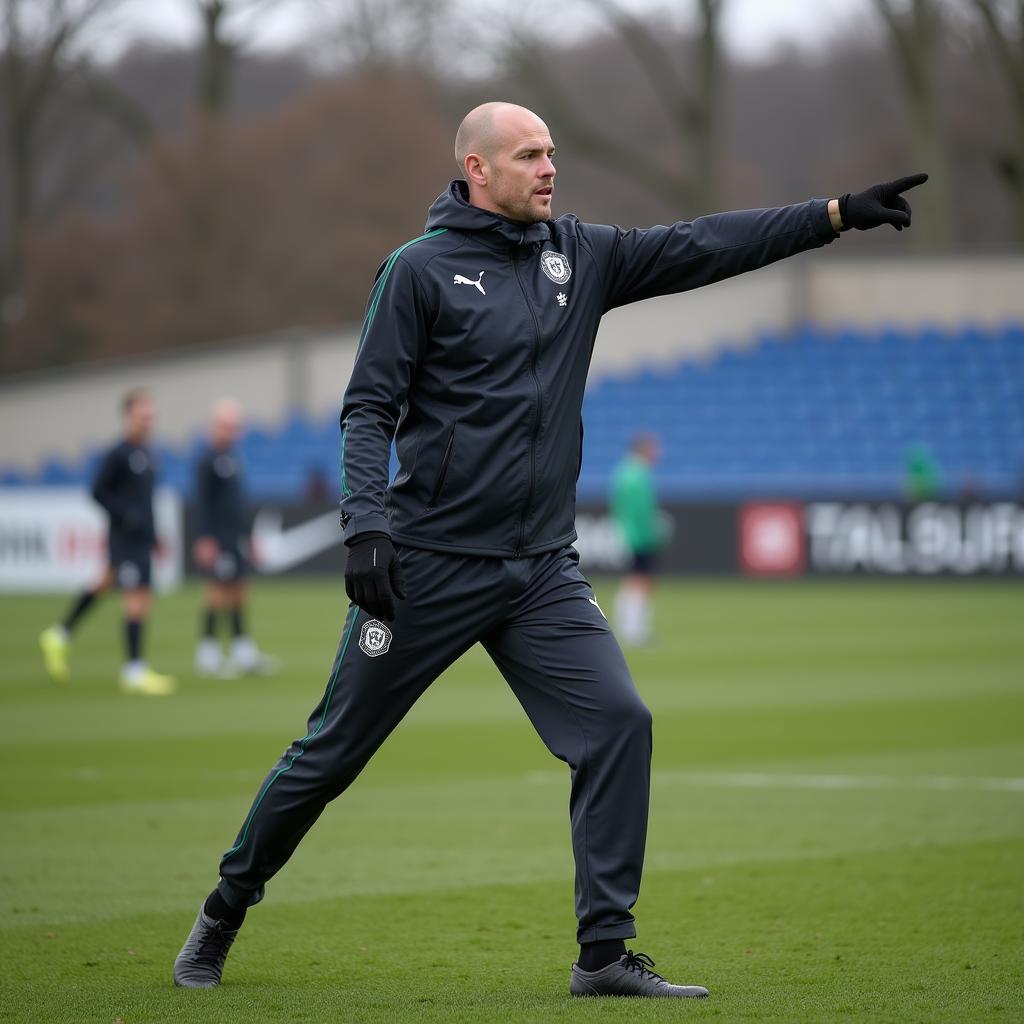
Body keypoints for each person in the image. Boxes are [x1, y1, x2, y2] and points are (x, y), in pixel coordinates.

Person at [173, 102, 926, 997]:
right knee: (331, 753)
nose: (548, 168)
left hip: (539, 570)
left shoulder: (582, 254)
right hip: (429, 565)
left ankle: (603, 956)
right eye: (529, 155)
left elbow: (703, 245)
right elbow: (367, 408)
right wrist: (366, 526)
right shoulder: (417, 273)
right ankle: (224, 909)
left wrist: (832, 214)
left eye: (553, 153)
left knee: (619, 723)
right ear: (477, 171)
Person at [39, 388, 176, 696]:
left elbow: (145, 500)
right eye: (143, 416)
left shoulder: (148, 454)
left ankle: (60, 634)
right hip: (125, 538)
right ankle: (134, 670)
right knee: (137, 598)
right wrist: (125, 515)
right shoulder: (119, 453)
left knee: (105, 584)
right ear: (128, 416)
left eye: (151, 416)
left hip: (140, 539)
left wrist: (153, 533)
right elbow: (98, 491)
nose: (148, 421)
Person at [193, 398, 279, 677]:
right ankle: (208, 652)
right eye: (226, 425)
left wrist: (247, 537)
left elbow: (235, 502)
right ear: (215, 426)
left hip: (234, 537)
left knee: (239, 590)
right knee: (217, 592)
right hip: (217, 537)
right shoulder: (207, 460)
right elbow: (203, 502)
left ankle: (243, 650)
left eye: (234, 426)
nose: (231, 431)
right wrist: (205, 538)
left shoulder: (232, 457)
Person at [611, 433, 664, 647]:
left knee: (633, 579)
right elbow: (642, 511)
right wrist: (653, 533)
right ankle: (634, 629)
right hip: (640, 537)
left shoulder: (623, 471)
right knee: (641, 580)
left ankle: (628, 626)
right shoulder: (638, 474)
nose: (658, 453)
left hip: (628, 534)